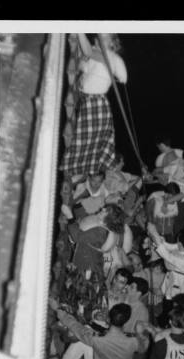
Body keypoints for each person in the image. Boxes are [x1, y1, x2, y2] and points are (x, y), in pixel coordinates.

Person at [60, 33, 127, 179]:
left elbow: (88, 51)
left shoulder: (111, 57)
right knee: (87, 141)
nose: (100, 37)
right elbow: (83, 61)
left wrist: (79, 31)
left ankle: (81, 174)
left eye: (105, 36)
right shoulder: (94, 56)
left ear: (112, 43)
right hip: (86, 101)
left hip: (96, 103)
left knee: (89, 141)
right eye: (99, 36)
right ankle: (80, 173)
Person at [68, 204, 129, 280]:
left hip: (86, 268)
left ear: (110, 218)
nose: (102, 209)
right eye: (105, 208)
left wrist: (70, 218)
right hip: (89, 266)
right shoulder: (105, 229)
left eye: (106, 211)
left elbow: (77, 237)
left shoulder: (100, 232)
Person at [147, 223, 184, 310]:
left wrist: (154, 232)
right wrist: (156, 237)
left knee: (170, 307)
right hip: (170, 282)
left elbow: (166, 255)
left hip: (175, 290)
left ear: (180, 243)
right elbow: (167, 246)